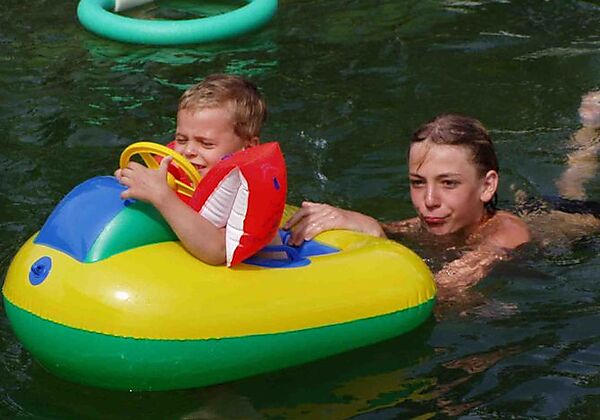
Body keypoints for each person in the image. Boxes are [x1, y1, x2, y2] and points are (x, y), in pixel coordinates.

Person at [284, 114, 531, 296]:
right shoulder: (427, 224)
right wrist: (356, 220)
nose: (429, 201)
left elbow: (437, 292)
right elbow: (387, 228)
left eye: (448, 183)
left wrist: (380, 238)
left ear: (487, 186)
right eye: (418, 182)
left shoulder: (506, 235)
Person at [115, 73, 266, 265]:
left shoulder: (251, 187)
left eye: (206, 143)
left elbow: (219, 251)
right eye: (181, 139)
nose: (188, 151)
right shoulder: (176, 163)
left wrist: (162, 196)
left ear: (249, 147)